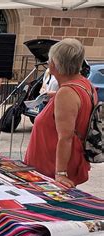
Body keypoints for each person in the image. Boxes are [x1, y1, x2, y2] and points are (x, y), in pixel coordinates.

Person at [25, 38, 96, 188]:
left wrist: (61, 173)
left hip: (51, 169)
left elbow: (66, 137)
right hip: (53, 164)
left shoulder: (67, 92)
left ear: (55, 64)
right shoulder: (84, 84)